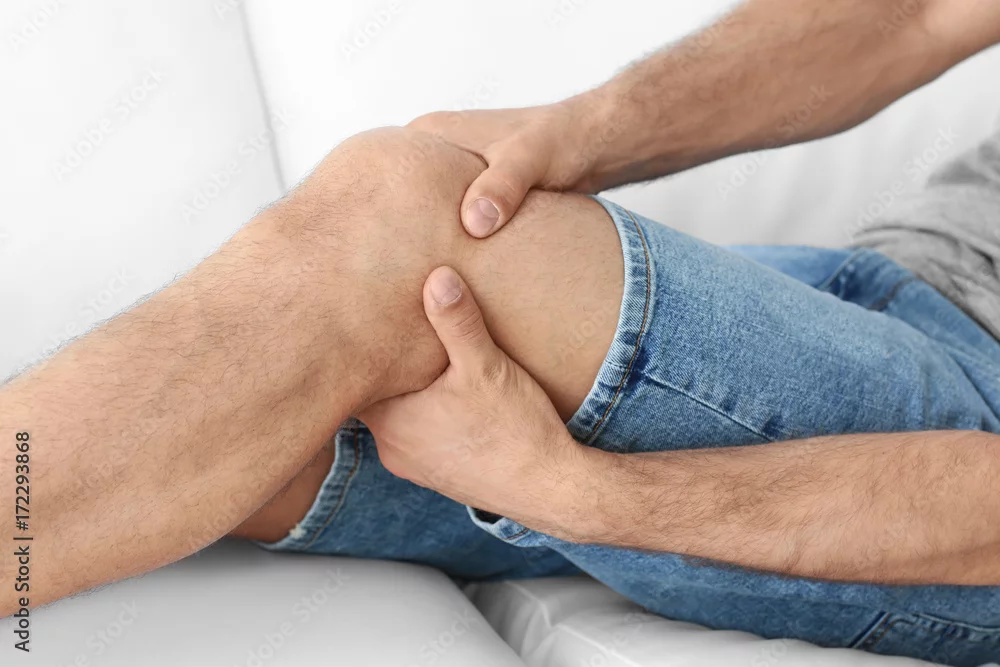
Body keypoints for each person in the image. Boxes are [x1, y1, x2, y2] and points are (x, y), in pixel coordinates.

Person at [1, 0, 999, 664]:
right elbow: (918, 11)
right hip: (882, 284)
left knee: (395, 226)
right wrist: (589, 127)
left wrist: (577, 495)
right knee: (227, 418)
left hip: (967, 448)